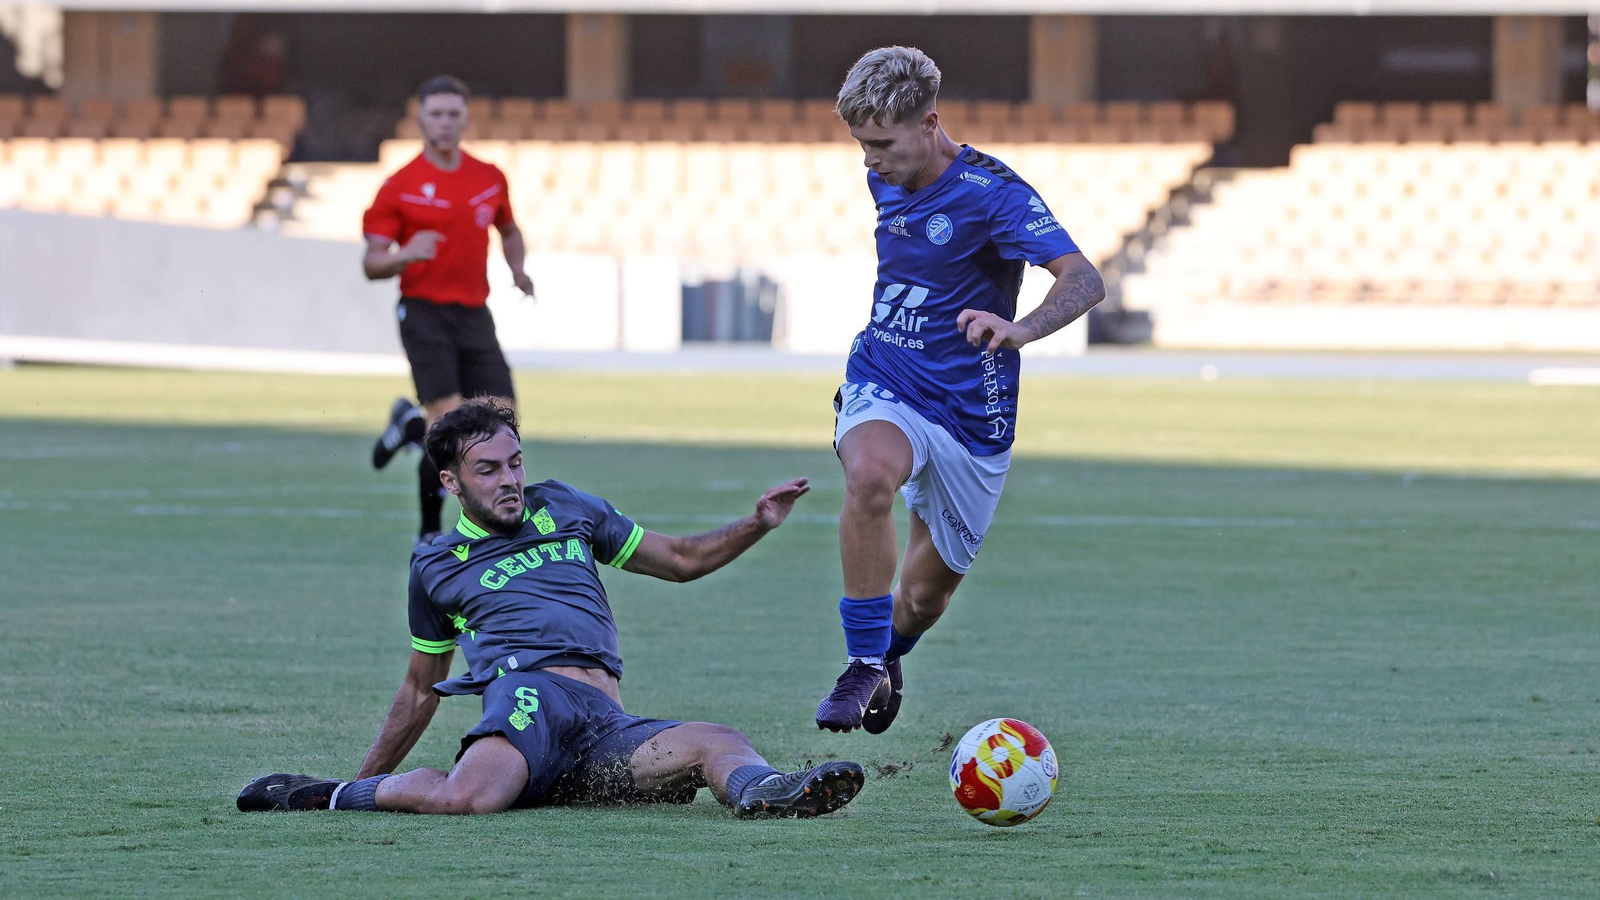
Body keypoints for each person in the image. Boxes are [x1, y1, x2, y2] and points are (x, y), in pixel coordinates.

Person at [239, 400, 864, 818]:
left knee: (717, 742)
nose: (509, 479)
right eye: (487, 470)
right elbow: (418, 689)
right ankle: (332, 795)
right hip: (530, 699)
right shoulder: (437, 565)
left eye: (515, 463)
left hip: (603, 724)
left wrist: (756, 523)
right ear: (450, 482)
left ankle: (772, 793)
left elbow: (679, 560)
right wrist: (362, 778)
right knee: (470, 801)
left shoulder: (564, 508)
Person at [814, 47, 1107, 734]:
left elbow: (1085, 280)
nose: (870, 162)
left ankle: (890, 652)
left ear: (930, 123)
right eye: (861, 146)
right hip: (886, 376)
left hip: (974, 412)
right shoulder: (884, 176)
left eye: (881, 145)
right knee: (869, 476)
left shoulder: (995, 195)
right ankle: (863, 664)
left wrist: (1019, 327)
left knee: (922, 598)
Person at [363, 75, 535, 546]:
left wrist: (518, 270)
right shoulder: (400, 187)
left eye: (452, 114)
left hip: (474, 313)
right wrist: (405, 254)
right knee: (453, 426)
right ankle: (430, 532)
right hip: (424, 312)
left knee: (501, 421)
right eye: (435, 114)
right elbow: (372, 262)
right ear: (419, 119)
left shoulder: (488, 177)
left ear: (465, 119)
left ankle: (408, 426)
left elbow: (509, 228)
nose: (444, 122)